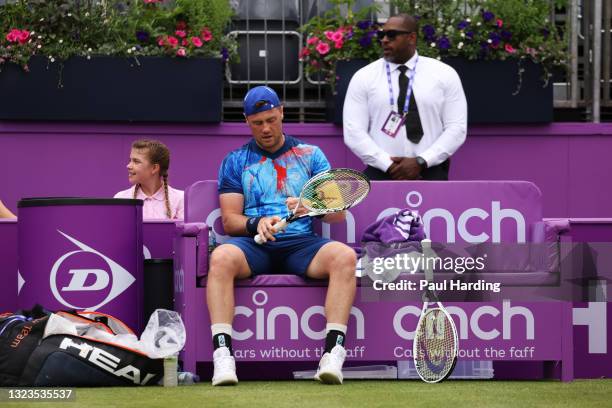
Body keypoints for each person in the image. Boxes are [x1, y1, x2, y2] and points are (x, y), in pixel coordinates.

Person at [208, 86, 357, 386]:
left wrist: (309, 208)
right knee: (221, 257)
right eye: (257, 122)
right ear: (247, 121)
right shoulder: (235, 161)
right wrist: (256, 224)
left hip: (302, 245)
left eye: (271, 120)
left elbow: (337, 214)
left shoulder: (312, 155)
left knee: (345, 257)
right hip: (255, 246)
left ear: (282, 113)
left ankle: (333, 354)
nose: (266, 128)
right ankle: (223, 358)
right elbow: (229, 221)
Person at [343, 13, 467, 181]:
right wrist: (388, 165)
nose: (384, 39)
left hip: (430, 171)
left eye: (392, 34)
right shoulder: (364, 77)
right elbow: (353, 131)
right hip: (381, 172)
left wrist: (422, 161)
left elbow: (456, 128)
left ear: (412, 37)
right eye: (381, 34)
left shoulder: (444, 74)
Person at [114, 139, 184, 220]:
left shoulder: (180, 199)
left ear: (154, 168)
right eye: (130, 160)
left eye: (136, 161)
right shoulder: (121, 198)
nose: (128, 166)